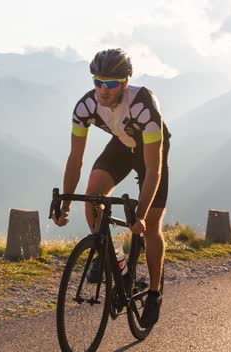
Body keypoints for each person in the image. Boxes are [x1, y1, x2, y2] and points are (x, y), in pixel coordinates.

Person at [52, 48, 171, 328]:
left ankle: (154, 294)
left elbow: (153, 168)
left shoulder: (144, 105)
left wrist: (140, 215)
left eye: (111, 83)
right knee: (93, 193)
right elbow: (75, 159)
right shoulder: (85, 107)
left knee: (152, 225)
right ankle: (105, 250)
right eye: (98, 82)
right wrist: (65, 204)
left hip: (150, 151)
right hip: (121, 145)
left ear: (125, 83)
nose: (103, 90)